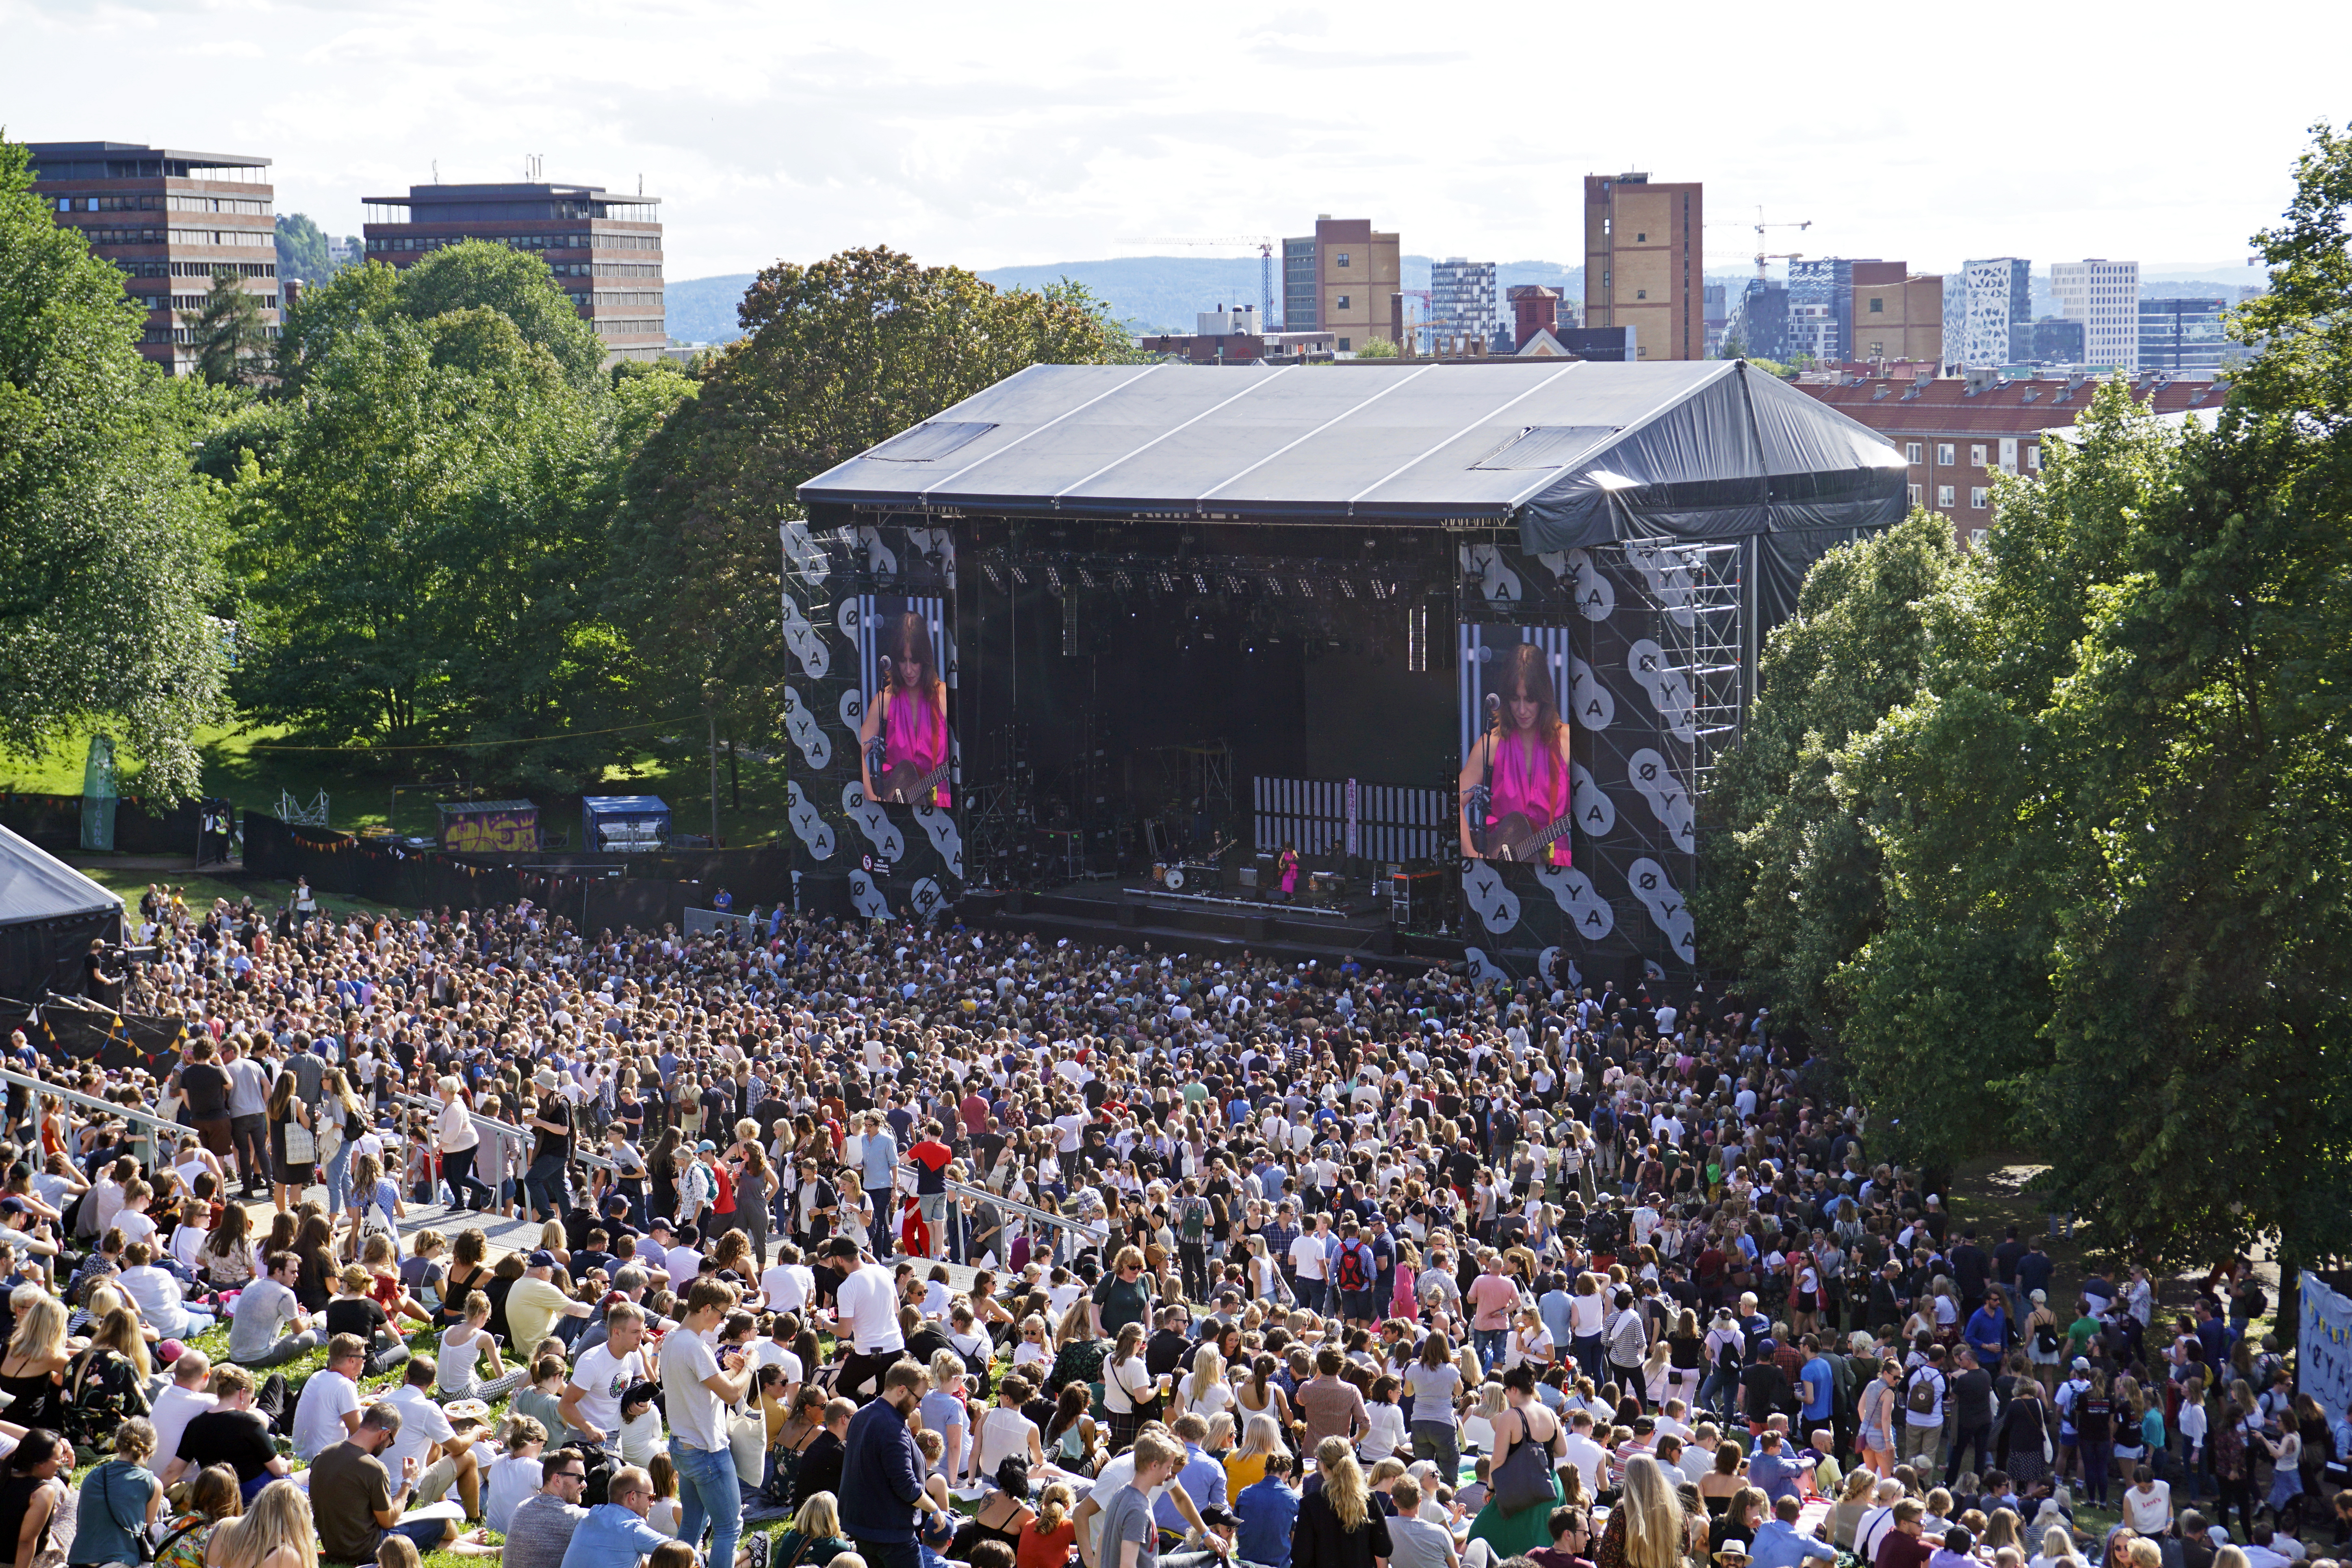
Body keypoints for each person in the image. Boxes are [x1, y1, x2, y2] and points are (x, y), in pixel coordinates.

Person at [1459, 640, 1573, 867]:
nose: (1522, 710)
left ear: (1544, 697)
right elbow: (1451, 801)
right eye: (1515, 699)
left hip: (1556, 865)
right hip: (1501, 863)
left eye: (1530, 699)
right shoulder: (1491, 744)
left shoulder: (1568, 741)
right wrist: (1470, 853)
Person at [309, 1401, 466, 1563]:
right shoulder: (374, 1468)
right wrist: (408, 1481)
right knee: (440, 1523)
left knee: (424, 1535)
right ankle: (463, 1540)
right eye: (391, 1442)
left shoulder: (323, 1455)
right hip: (366, 1550)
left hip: (334, 1549)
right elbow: (389, 1521)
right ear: (385, 1434)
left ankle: (470, 1545)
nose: (387, 1446)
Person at [842, 1360, 932, 1568]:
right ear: (902, 1390)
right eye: (918, 1399)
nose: (919, 1405)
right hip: (891, 1535)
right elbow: (906, 1486)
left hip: (862, 1526)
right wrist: (935, 1510)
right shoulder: (892, 1427)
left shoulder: (863, 1414)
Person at [1467, 1366, 1564, 1558]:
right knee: (1544, 1541)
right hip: (1551, 1485)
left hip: (1521, 1488)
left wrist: (1491, 1488)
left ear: (1513, 1390)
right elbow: (1562, 1450)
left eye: (1505, 1390)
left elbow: (1498, 1458)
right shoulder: (1550, 1413)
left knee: (1482, 1531)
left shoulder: (1510, 1416)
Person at [859, 611, 952, 809]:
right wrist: (871, 796)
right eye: (903, 661)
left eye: (915, 661)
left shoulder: (945, 697)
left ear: (926, 660)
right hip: (897, 812)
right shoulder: (884, 700)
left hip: (940, 808)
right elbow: (856, 751)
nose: (909, 670)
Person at [68, 1416, 163, 1568]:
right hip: (120, 1561)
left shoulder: (93, 1475)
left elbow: (82, 1522)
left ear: (118, 1446)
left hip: (79, 1559)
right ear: (150, 1451)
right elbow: (145, 1530)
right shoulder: (152, 1483)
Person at [1293, 1437, 1391, 1568]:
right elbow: (1384, 1549)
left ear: (1322, 1465)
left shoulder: (1311, 1504)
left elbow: (1300, 1557)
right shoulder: (1369, 1499)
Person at [556, 1468, 672, 1568]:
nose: (653, 1504)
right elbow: (683, 1553)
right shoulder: (632, 1529)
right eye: (651, 1498)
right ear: (633, 1497)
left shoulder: (588, 1518)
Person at [502, 1452, 594, 1568]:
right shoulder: (577, 1518)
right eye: (580, 1478)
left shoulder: (522, 1507)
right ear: (557, 1480)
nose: (584, 1484)